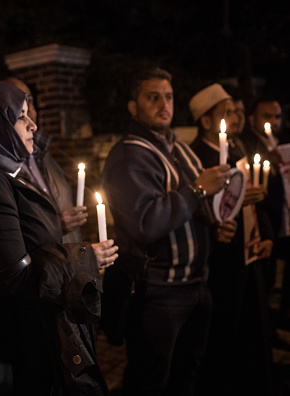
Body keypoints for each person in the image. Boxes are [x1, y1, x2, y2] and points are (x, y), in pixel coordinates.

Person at [0, 80, 118, 395]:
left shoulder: (5, 173)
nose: (33, 124)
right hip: (14, 343)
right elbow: (16, 279)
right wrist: (83, 256)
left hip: (30, 331)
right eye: (21, 116)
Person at [100, 68, 233, 396]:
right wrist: (199, 188)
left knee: (186, 375)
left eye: (169, 97)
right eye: (152, 96)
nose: (164, 104)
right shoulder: (128, 155)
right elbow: (146, 223)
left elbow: (194, 208)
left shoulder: (180, 148)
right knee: (151, 380)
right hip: (159, 292)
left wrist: (216, 224)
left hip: (195, 286)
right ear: (133, 107)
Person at [188, 83, 274, 395]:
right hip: (221, 262)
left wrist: (266, 236)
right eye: (227, 114)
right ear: (206, 122)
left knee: (252, 330)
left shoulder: (237, 150)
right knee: (224, 336)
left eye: (237, 112)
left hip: (248, 253)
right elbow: (197, 208)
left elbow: (253, 202)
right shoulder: (196, 158)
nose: (236, 118)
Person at [4, 76, 87, 243]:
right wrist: (54, 224)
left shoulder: (43, 153)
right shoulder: (2, 170)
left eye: (31, 102)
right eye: (21, 109)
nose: (31, 114)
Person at [241, 97, 290, 332]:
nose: (273, 121)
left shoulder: (281, 142)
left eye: (277, 116)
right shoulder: (248, 143)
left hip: (281, 219)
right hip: (262, 221)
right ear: (252, 119)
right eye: (267, 116)